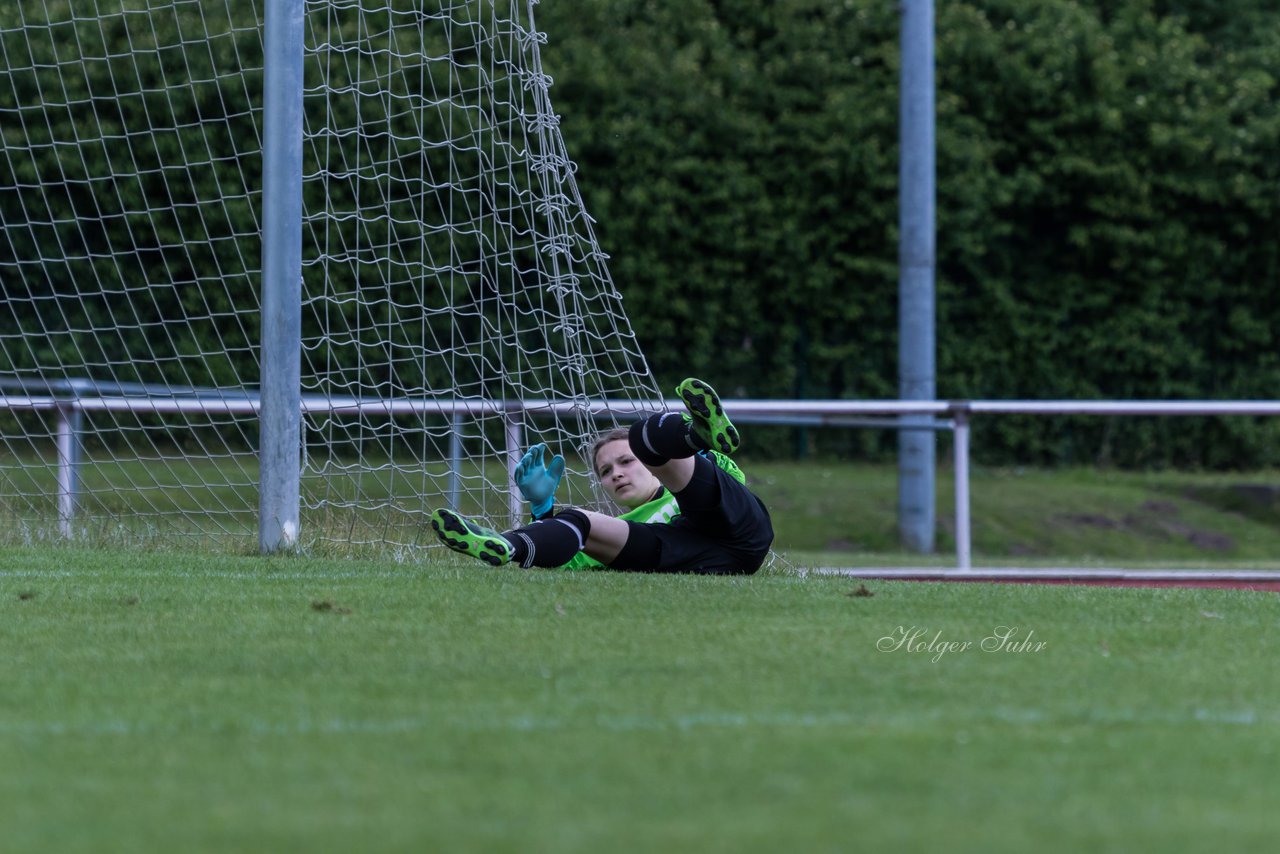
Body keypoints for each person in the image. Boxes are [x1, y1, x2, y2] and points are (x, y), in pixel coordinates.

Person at [429, 378, 774, 575]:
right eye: (606, 471)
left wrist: (690, 457)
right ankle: (507, 544)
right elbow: (568, 562)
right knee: (578, 521)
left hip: (740, 533)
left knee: (644, 436)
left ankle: (697, 435)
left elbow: (726, 486)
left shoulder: (707, 473)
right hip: (685, 553)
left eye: (626, 462)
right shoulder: (628, 528)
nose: (617, 474)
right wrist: (542, 510)